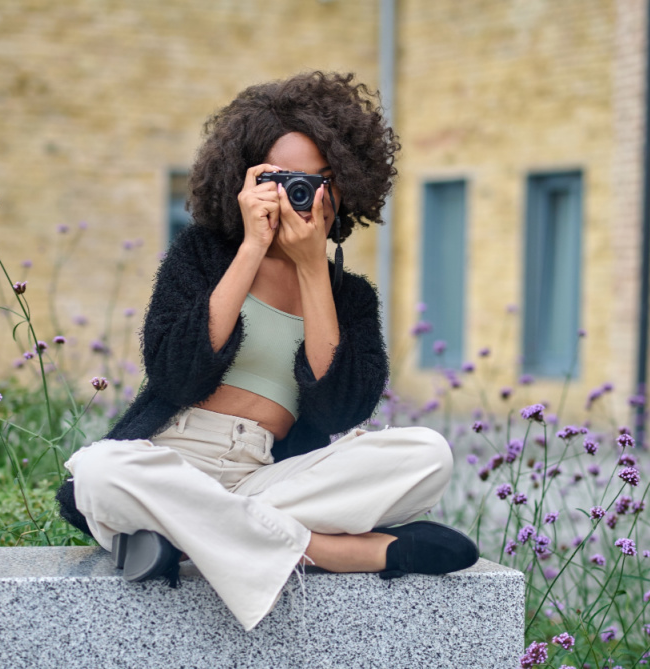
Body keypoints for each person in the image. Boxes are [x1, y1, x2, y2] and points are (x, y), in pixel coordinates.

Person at [56, 71, 477, 631]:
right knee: (100, 471)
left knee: (427, 454)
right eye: (283, 178)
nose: (301, 193)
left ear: (345, 184)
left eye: (319, 179)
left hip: (269, 474)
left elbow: (340, 412)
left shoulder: (349, 296)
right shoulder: (202, 255)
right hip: (169, 460)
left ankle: (180, 539)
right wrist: (253, 247)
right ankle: (330, 552)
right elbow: (175, 373)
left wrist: (311, 268)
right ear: (246, 179)